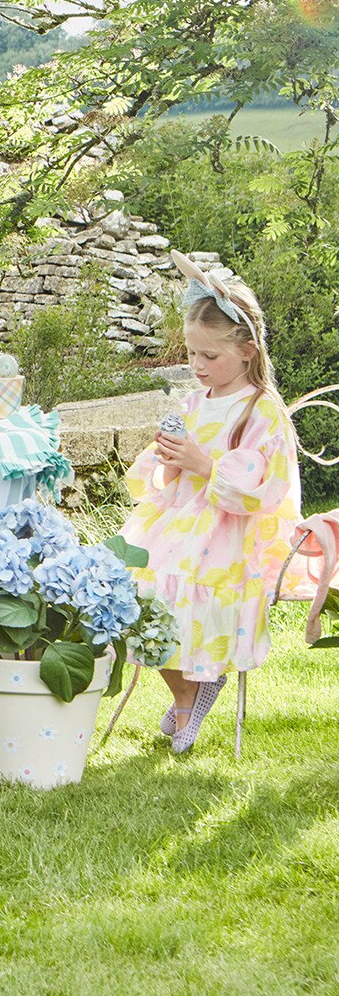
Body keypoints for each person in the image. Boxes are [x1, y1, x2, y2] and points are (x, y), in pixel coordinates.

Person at [121, 251, 308, 753]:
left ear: (247, 350)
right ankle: (189, 691)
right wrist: (170, 461)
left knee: (180, 585)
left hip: (229, 533)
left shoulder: (260, 410)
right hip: (178, 519)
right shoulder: (193, 402)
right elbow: (161, 473)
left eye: (210, 356)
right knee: (133, 586)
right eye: (191, 354)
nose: (197, 366)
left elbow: (263, 490)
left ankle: (191, 697)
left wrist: (207, 465)